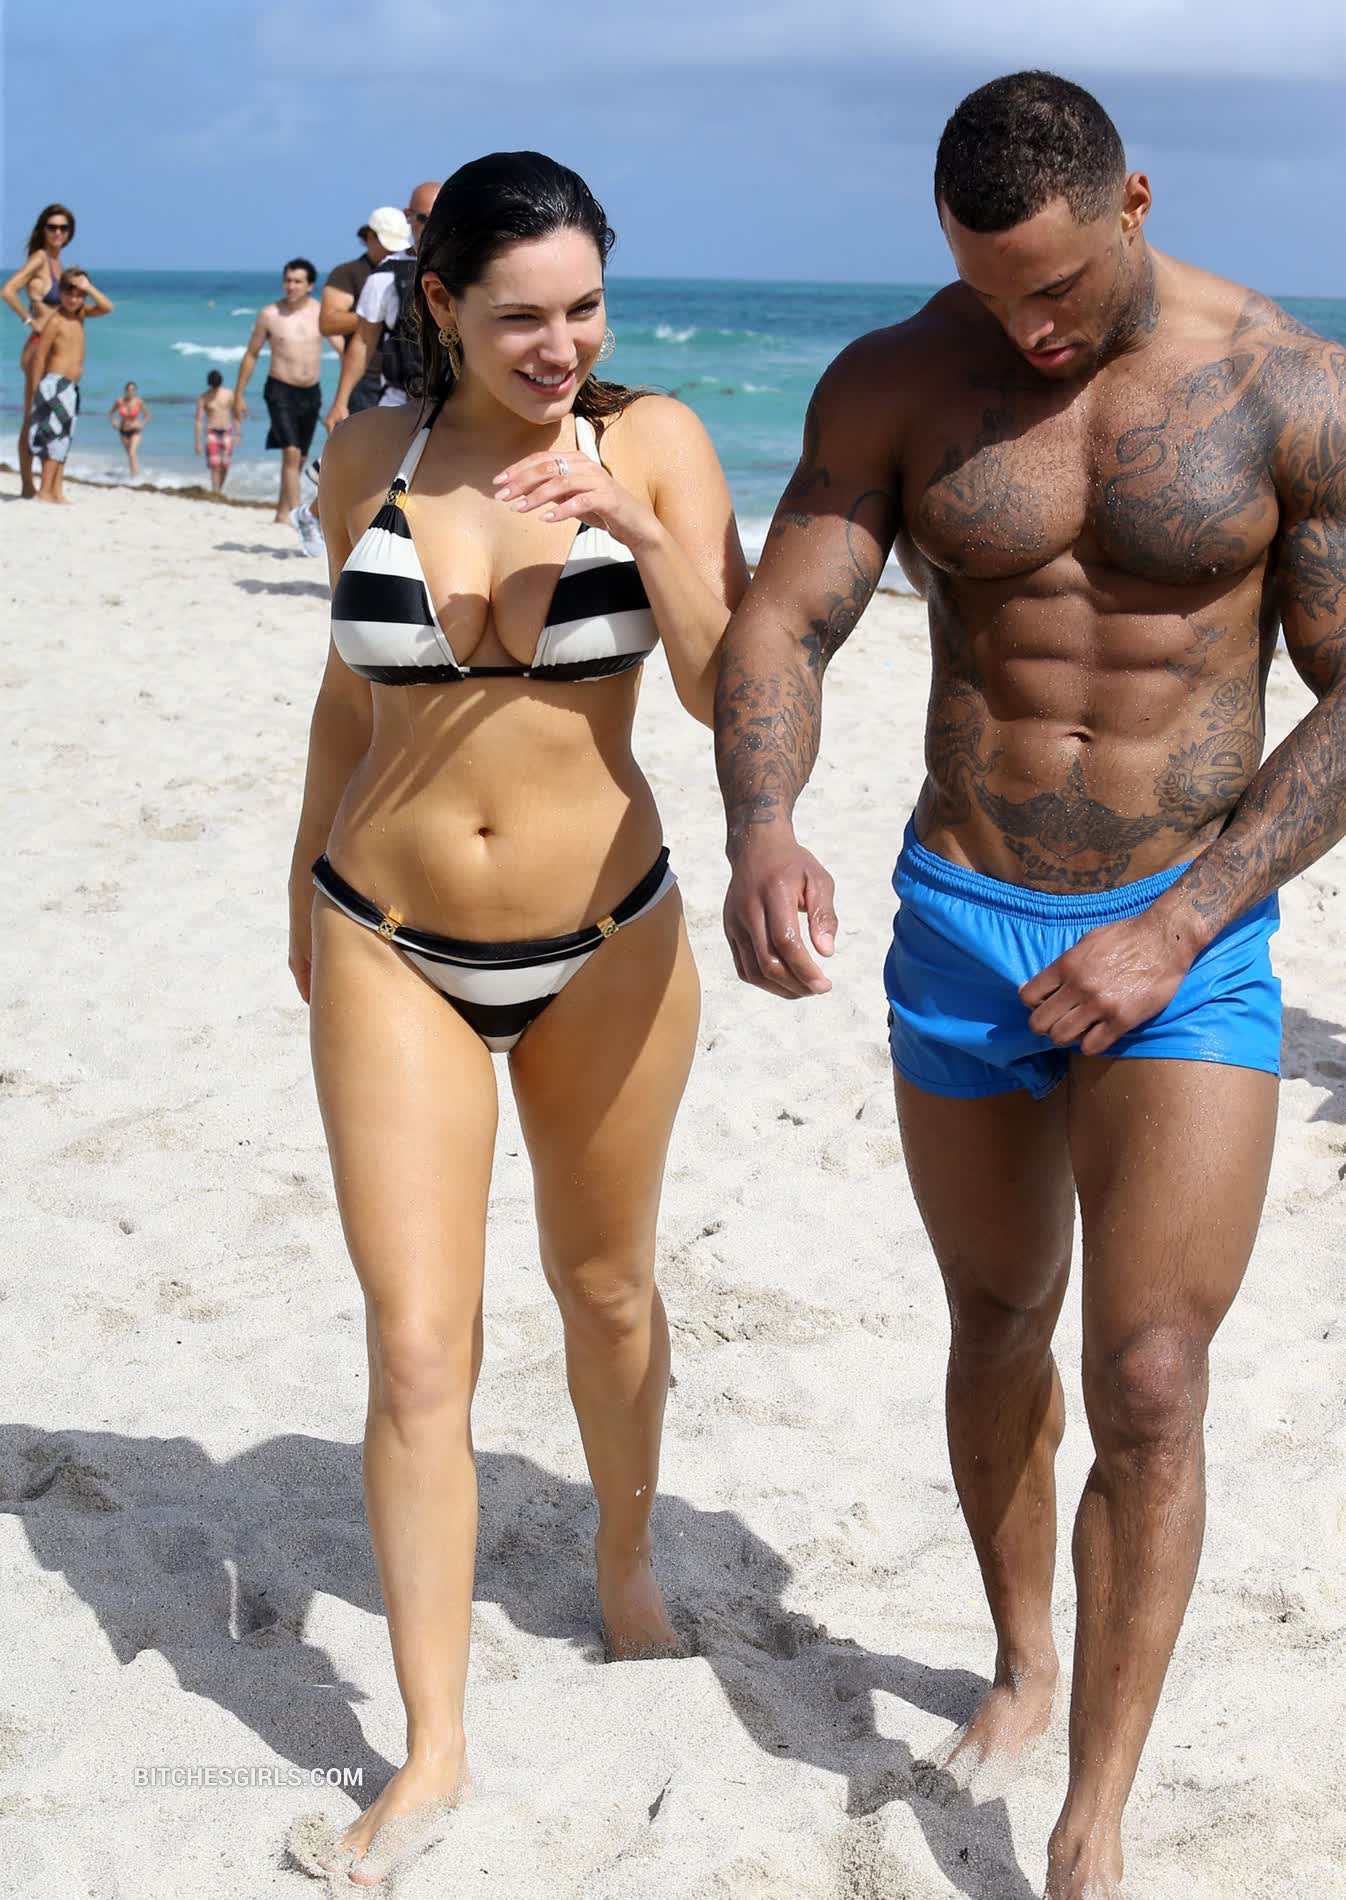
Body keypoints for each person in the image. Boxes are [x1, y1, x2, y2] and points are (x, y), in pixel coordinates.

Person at [713, 69, 1346, 1900]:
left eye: (1055, 287)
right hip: (962, 914)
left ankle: (1092, 1816)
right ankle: (1018, 1654)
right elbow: (786, 617)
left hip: (1183, 932)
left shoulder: (1289, 391)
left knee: (1148, 1378)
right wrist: (764, 825)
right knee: (997, 1318)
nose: (1028, 329)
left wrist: (1178, 921)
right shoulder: (899, 380)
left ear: (1134, 202)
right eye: (990, 291)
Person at [284, 151, 746, 1888]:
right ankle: (432, 1749)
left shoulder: (659, 440)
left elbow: (724, 684)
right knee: (418, 1345)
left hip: (605, 938)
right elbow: (349, 700)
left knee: (604, 1289)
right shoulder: (369, 459)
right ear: (445, 306)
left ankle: (624, 1560)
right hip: (386, 934)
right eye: (521, 317)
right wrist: (297, 882)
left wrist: (638, 528)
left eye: (586, 309)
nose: (561, 347)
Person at [290, 209, 415, 560]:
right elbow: (328, 322)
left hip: (397, 374)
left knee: (382, 467)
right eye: (384, 243)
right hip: (363, 376)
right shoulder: (351, 273)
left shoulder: (407, 269)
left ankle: (321, 489)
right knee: (363, 465)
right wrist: (375, 312)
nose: (390, 250)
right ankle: (317, 503)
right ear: (368, 237)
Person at [324, 181, 441, 428]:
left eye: (441, 217)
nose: (434, 227)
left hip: (459, 406)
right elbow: (364, 340)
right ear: (409, 216)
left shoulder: (471, 270)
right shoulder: (385, 276)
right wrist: (340, 402)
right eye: (425, 219)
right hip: (402, 403)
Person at [232, 259, 322, 524]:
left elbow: (344, 349)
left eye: (297, 281)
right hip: (280, 389)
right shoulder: (269, 314)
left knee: (300, 456)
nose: (291, 286)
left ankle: (282, 512)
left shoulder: (320, 312)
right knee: (291, 453)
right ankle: (300, 519)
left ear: (310, 285)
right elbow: (251, 354)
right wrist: (238, 395)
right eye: (287, 280)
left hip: (311, 392)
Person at [1, 202, 77, 498]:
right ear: (43, 230)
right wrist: (29, 320)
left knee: (55, 417)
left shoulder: (59, 264)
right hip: (37, 349)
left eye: (63, 228)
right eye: (52, 227)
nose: (57, 232)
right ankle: (27, 484)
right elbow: (8, 290)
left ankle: (49, 485)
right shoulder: (39, 259)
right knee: (33, 417)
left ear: (69, 233)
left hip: (58, 352)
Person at [27, 267, 114, 503]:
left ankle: (56, 491)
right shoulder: (56, 320)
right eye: (69, 294)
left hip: (70, 388)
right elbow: (40, 356)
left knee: (64, 439)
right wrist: (36, 390)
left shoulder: (81, 314)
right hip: (55, 386)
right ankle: (45, 490)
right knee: (53, 438)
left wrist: (89, 287)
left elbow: (108, 307)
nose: (73, 300)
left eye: (79, 295)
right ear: (60, 292)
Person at [194, 369, 237, 494]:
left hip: (226, 430)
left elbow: (235, 414)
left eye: (216, 385)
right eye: (213, 386)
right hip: (212, 431)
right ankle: (215, 492)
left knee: (225, 465)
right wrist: (197, 442)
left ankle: (219, 489)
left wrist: (238, 433)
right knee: (215, 464)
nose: (215, 389)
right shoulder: (203, 398)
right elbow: (199, 421)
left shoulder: (229, 394)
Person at [109, 380, 150, 478]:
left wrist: (141, 424)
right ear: (125, 391)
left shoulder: (138, 402)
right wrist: (114, 422)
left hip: (135, 430)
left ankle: (133, 478)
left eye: (132, 390)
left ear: (135, 391)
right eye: (128, 390)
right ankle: (136, 474)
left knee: (132, 453)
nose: (130, 392)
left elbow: (148, 415)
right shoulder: (119, 401)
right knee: (130, 455)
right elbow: (111, 413)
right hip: (123, 431)